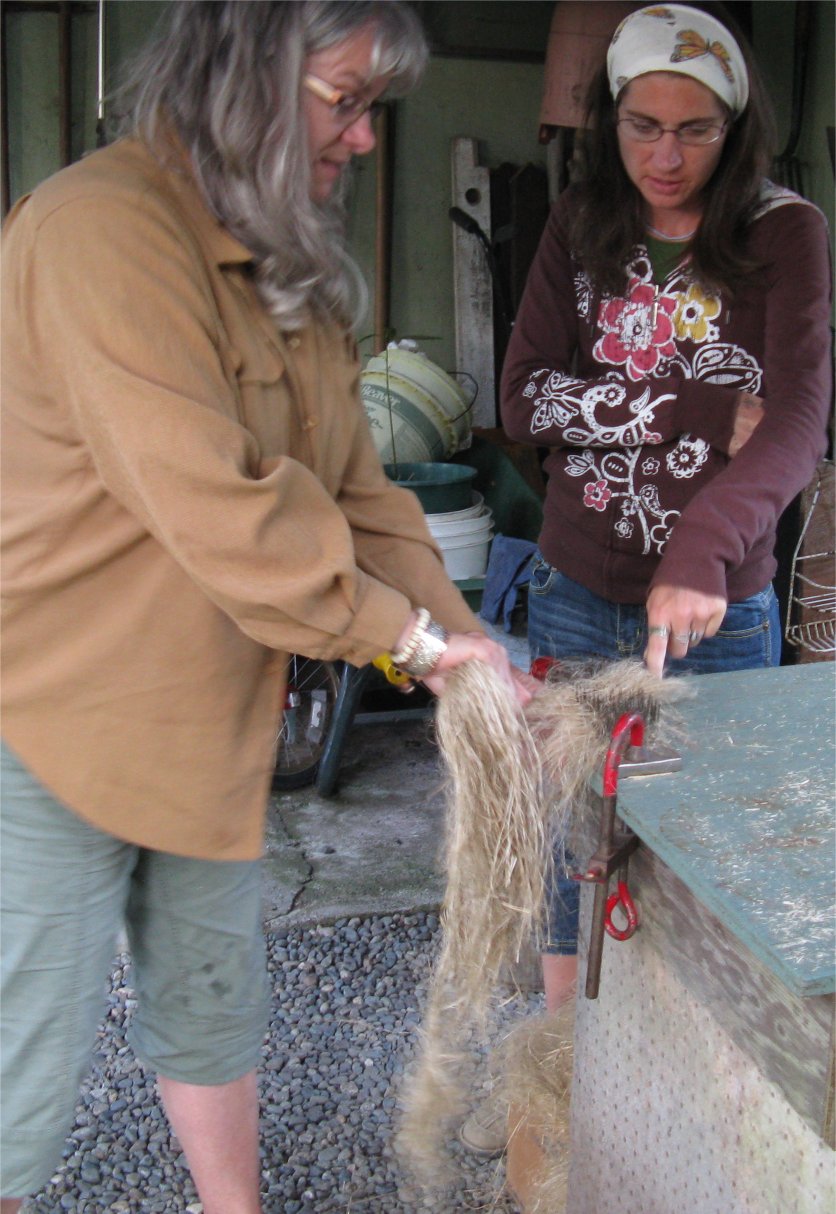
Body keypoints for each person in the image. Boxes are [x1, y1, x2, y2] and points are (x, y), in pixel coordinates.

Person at [0, 4, 534, 1210]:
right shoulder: (99, 234)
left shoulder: (292, 269)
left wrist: (465, 642)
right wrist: (404, 640)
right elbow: (219, 508)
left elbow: (358, 493)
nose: (364, 137)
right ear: (239, 75)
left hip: (204, 719)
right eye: (343, 100)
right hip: (47, 715)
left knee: (212, 999)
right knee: (21, 1047)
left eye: (373, 108)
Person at [458, 0, 833, 1157]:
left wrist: (701, 544)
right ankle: (558, 1079)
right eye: (641, 126)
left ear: (736, 127)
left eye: (694, 130)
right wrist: (700, 406)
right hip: (575, 579)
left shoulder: (784, 234)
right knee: (576, 832)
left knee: (707, 857)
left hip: (716, 609)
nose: (664, 156)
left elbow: (796, 427)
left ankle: (693, 1112)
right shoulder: (581, 220)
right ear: (607, 119)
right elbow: (523, 395)